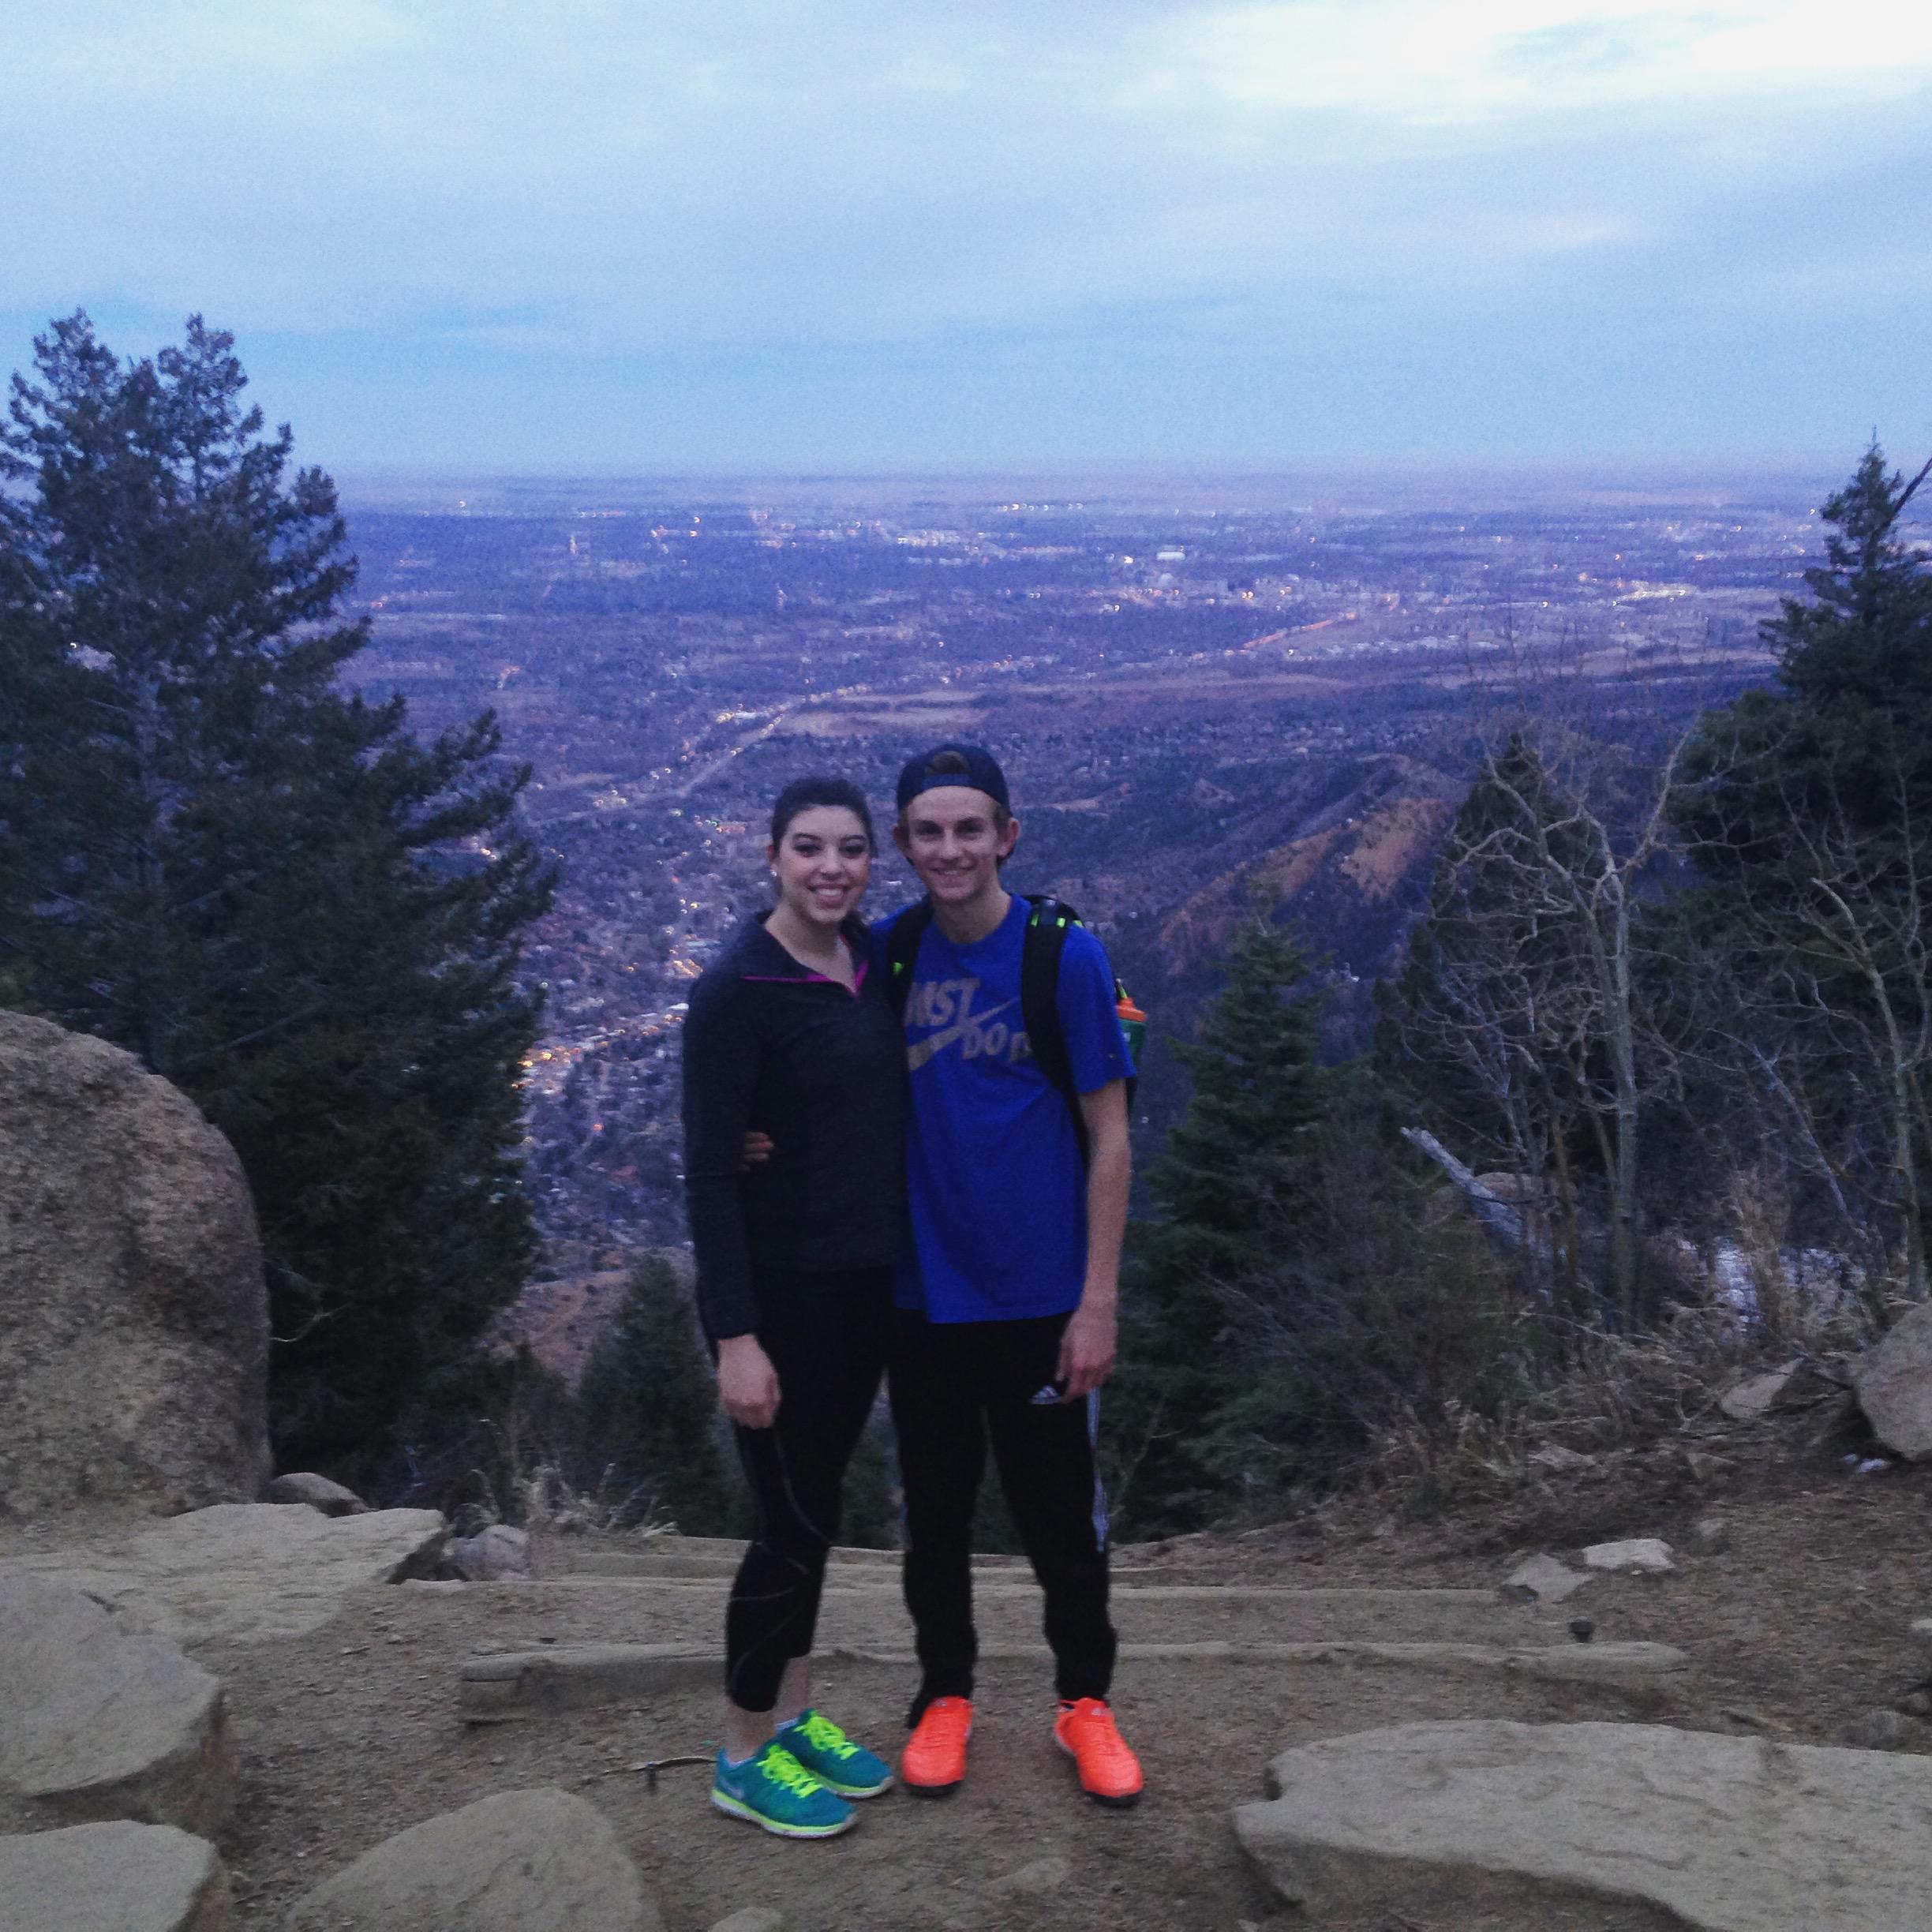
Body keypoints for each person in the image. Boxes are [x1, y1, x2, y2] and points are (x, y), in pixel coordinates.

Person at [882, 743, 1144, 1808]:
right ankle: (945, 1695)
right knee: (934, 1513)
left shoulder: (1061, 958)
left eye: (969, 829)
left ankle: (1085, 1703)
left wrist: (1097, 1300)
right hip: (922, 1293)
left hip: (1040, 1295)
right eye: (929, 832)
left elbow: (1113, 1138)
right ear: (905, 844)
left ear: (1008, 837)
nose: (950, 849)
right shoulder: (893, 955)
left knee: (1058, 1517)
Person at [680, 774, 904, 1840]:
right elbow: (708, 1172)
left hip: (862, 1291)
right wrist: (735, 1336)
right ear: (771, 854)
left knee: (819, 1515)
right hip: (777, 1301)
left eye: (850, 849)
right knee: (784, 1528)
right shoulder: (738, 987)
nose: (831, 867)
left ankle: (796, 1717)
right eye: (808, 847)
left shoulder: (871, 960)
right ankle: (738, 1749)